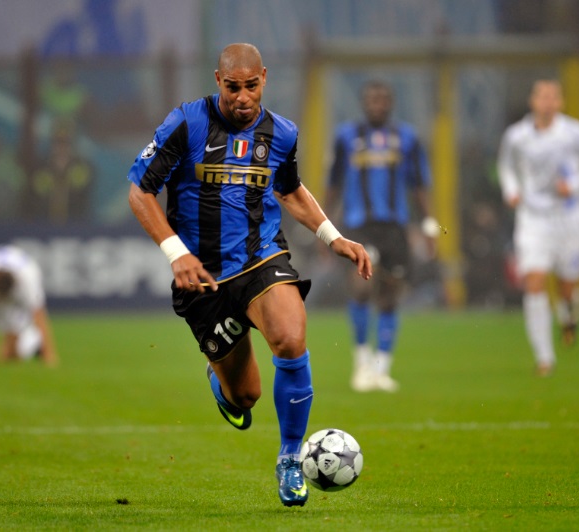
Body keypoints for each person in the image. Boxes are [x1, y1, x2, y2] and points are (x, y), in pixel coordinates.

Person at [127, 43, 371, 507]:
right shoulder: (185, 123)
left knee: (290, 340)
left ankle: (289, 459)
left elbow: (290, 190)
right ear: (218, 81)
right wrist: (176, 253)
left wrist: (333, 237)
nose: (243, 97)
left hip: (260, 259)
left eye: (251, 86)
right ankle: (222, 384)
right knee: (245, 397)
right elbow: (140, 191)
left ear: (264, 79)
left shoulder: (282, 133)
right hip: (202, 277)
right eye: (233, 87)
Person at [324, 80, 439, 393]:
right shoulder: (346, 137)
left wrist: (430, 225)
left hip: (395, 228)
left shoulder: (407, 138)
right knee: (362, 288)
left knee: (391, 295)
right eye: (372, 99)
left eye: (382, 99)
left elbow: (420, 186)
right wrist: (324, 227)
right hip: (358, 226)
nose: (377, 104)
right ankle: (361, 363)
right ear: (364, 103)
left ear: (390, 103)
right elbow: (333, 184)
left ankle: (381, 368)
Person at [498, 79, 579, 377]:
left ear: (560, 102)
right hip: (533, 217)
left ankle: (569, 316)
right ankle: (544, 358)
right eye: (542, 97)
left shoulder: (574, 133)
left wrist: (574, 185)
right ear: (532, 101)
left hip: (569, 217)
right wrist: (511, 190)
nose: (547, 102)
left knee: (567, 286)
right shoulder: (517, 136)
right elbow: (506, 167)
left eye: (553, 97)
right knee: (534, 281)